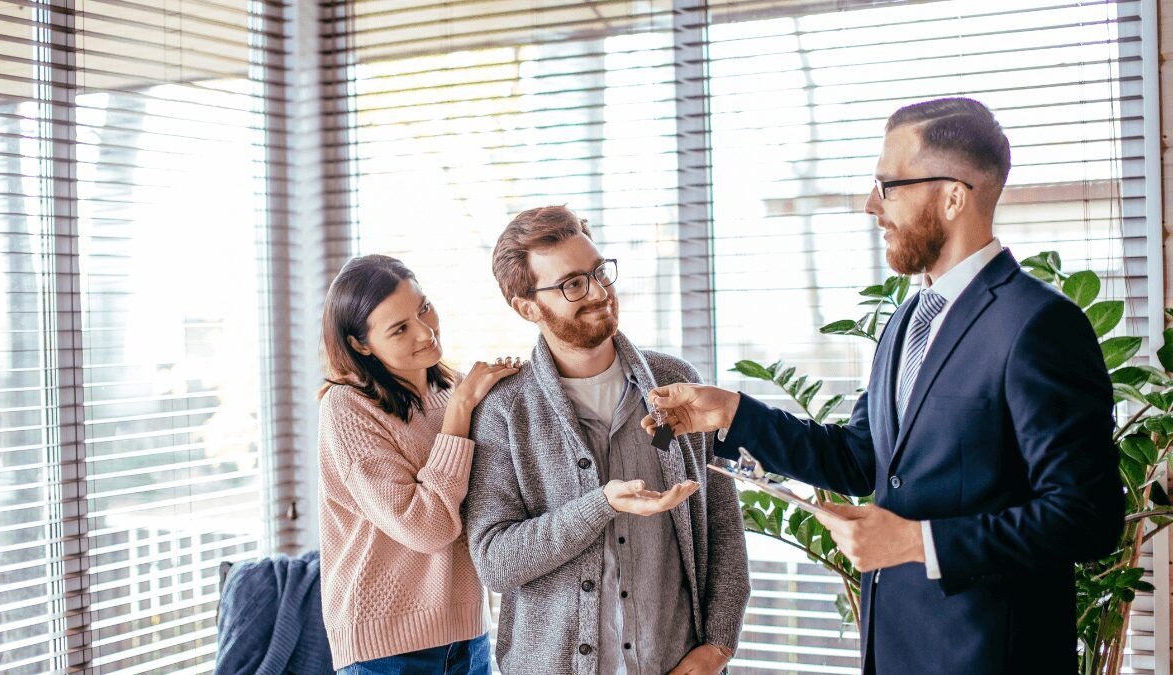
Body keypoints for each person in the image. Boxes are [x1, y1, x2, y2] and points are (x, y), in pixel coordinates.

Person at [643, 98, 1123, 674]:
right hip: (894, 651)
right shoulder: (907, 319)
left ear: (952, 197)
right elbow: (863, 458)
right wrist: (732, 413)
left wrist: (919, 543)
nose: (872, 205)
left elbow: (1087, 517)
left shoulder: (1040, 325)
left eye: (888, 185)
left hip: (990, 656)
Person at [463, 206, 751, 675]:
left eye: (599, 272)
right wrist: (601, 504)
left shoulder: (677, 384)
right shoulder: (504, 411)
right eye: (573, 283)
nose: (599, 292)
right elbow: (496, 562)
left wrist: (717, 648)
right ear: (527, 307)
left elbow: (723, 530)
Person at [316, 254, 519, 674]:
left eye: (423, 307)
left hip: (467, 635)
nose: (426, 331)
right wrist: (462, 410)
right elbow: (427, 528)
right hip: (384, 651)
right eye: (400, 328)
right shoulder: (348, 408)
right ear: (361, 344)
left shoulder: (453, 389)